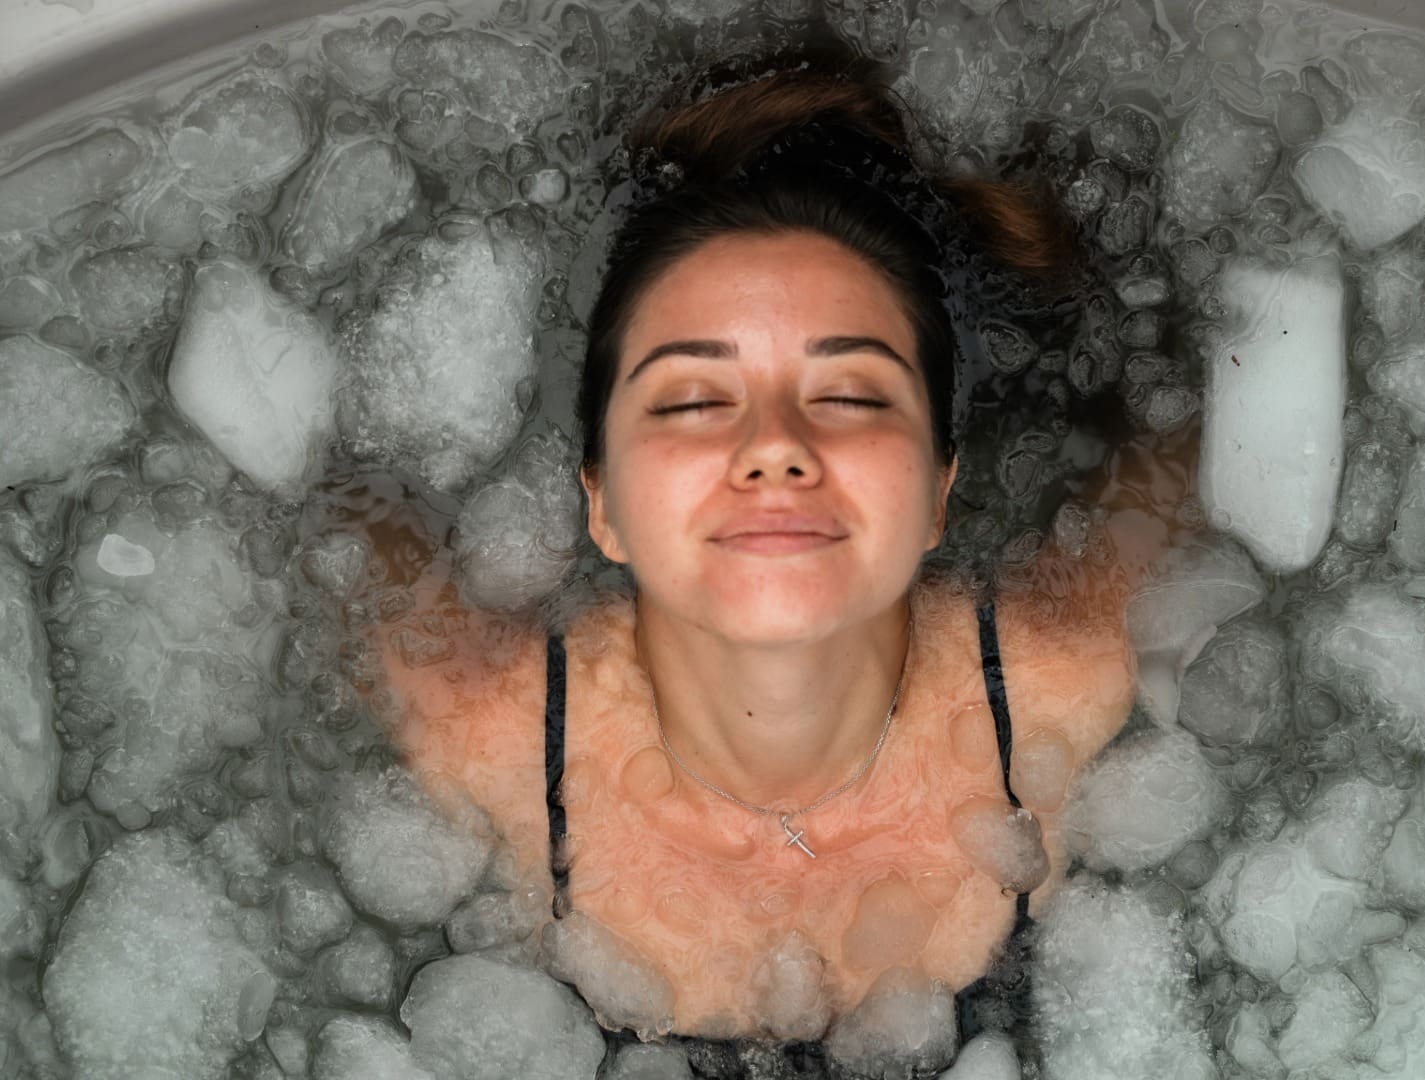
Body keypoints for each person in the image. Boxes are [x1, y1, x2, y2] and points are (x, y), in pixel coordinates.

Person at [363, 67, 1165, 1057]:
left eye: (852, 394)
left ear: (939, 488)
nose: (775, 445)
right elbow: (338, 522)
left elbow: (1204, 448)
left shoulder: (1056, 683)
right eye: (695, 399)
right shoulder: (488, 727)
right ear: (601, 500)